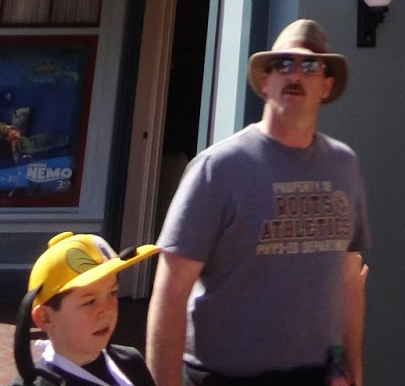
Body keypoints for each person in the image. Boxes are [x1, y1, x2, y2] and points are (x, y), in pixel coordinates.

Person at [147, 20, 368, 386]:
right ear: (265, 81)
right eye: (283, 64)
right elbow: (169, 295)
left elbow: (349, 279)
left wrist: (354, 370)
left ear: (326, 86)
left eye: (310, 66)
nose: (295, 74)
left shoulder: (344, 165)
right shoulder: (218, 168)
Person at [11, 231, 160, 386]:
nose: (106, 310)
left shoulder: (130, 362)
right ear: (45, 317)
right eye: (89, 301)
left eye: (112, 293)